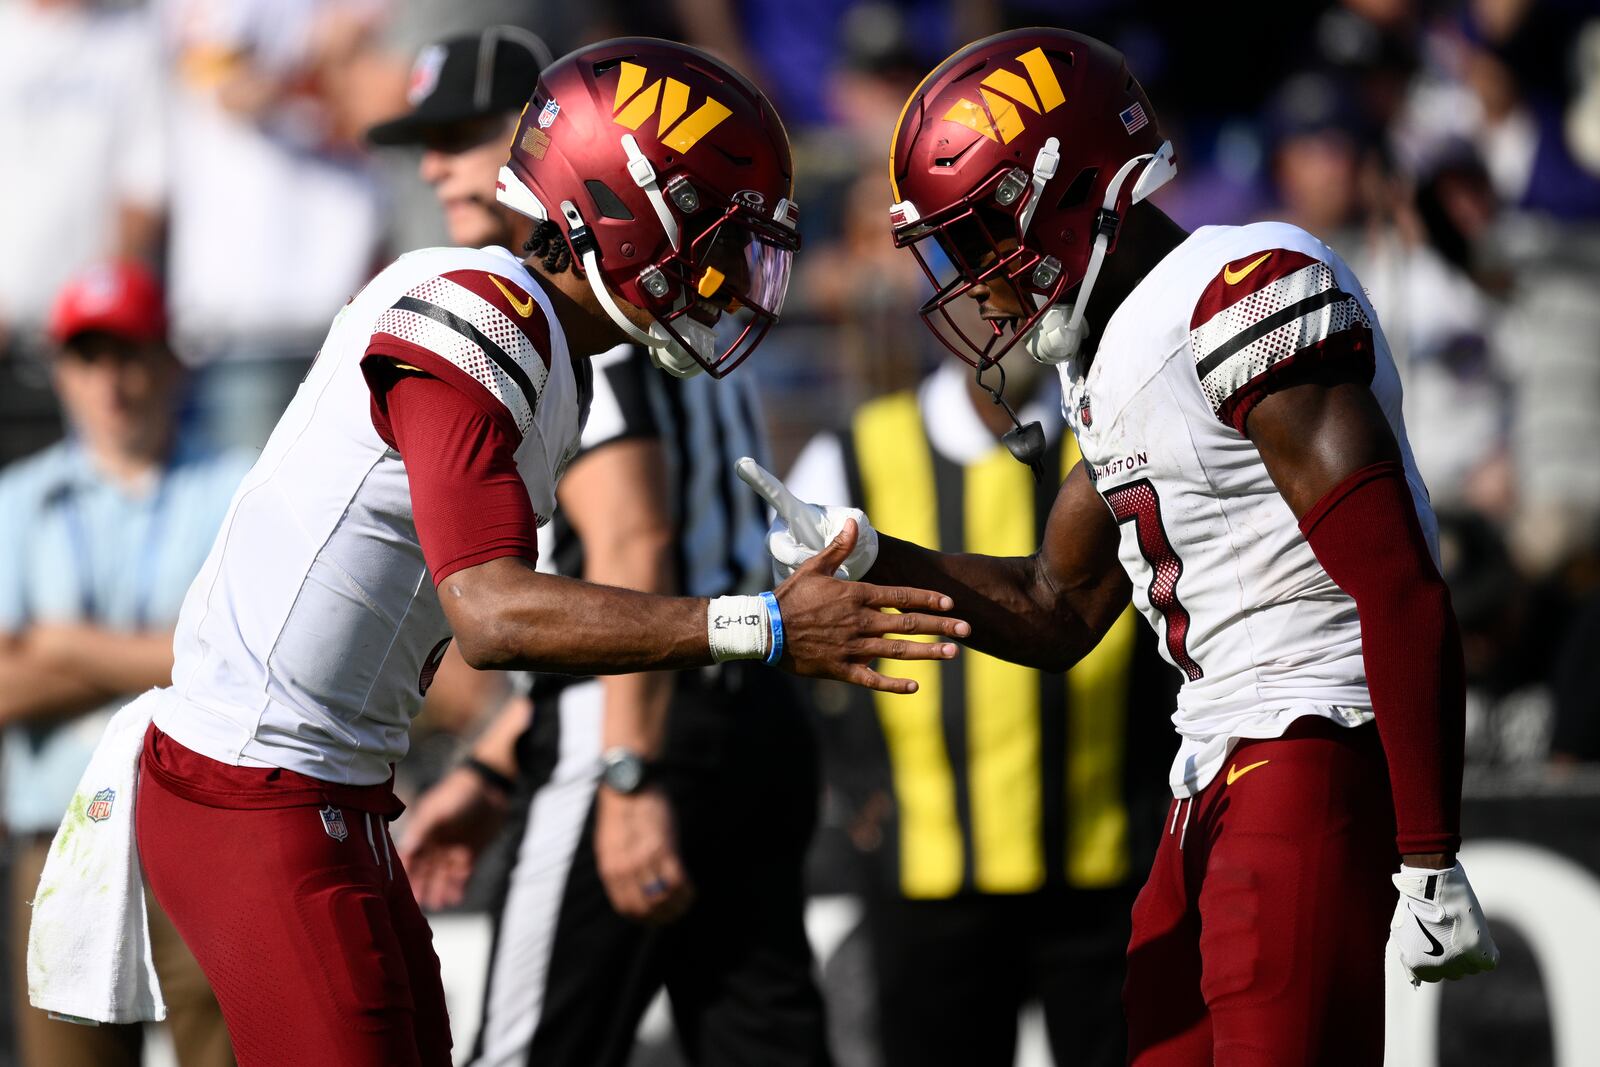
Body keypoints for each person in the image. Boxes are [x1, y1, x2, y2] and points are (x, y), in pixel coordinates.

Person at [122, 37, 965, 1067]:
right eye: (708, 229)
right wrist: (765, 625)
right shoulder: (486, 312)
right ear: (614, 208)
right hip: (261, 784)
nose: (727, 270)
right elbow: (492, 611)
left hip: (322, 782)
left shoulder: (554, 346)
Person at [756, 28, 1499, 1064]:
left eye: (976, 236)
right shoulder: (1120, 349)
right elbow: (1059, 606)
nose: (971, 280)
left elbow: (1401, 586)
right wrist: (875, 553)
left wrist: (1428, 848)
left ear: (1060, 191)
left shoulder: (1238, 289)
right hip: (1211, 770)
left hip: (1306, 742)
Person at [369, 32, 830, 1065]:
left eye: (466, 136)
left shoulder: (573, 296)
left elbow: (632, 539)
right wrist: (495, 765)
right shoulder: (664, 270)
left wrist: (624, 772)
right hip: (743, 706)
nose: (444, 166)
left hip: (646, 719)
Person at [785, 354, 1175, 1067]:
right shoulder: (853, 453)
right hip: (927, 870)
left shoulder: (1118, 440)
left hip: (1106, 860)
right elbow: (796, 637)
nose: (1004, 324)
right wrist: (853, 776)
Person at [0, 262, 244, 1067]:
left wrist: (63, 644)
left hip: (202, 834)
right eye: (88, 356)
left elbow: (244, 658)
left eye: (129, 353)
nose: (111, 380)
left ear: (170, 361)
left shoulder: (238, 484)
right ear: (63, 371)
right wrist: (167, 654)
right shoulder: (15, 499)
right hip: (65, 840)